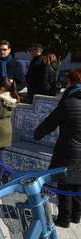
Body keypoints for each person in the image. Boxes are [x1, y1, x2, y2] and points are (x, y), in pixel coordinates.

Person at [33, 68, 81, 228]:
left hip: (68, 149)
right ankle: (76, 215)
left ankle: (64, 218)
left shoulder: (68, 103)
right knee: (78, 182)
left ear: (72, 82)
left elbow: (50, 122)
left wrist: (38, 133)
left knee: (65, 182)